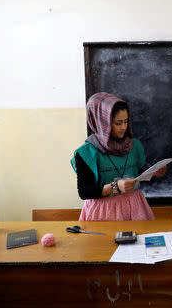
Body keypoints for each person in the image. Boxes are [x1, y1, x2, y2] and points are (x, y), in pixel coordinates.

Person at [71, 92, 166, 221]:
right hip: (103, 212)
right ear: (102, 123)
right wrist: (115, 186)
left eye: (126, 122)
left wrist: (153, 172)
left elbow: (134, 173)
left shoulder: (134, 145)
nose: (123, 127)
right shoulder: (85, 153)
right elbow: (84, 192)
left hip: (135, 207)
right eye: (118, 123)